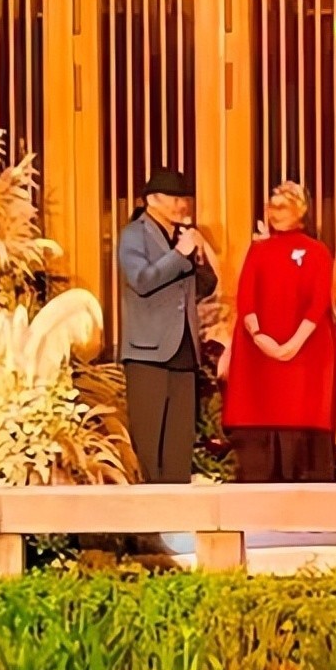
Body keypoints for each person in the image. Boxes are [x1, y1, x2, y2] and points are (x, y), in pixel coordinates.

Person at [222, 181, 336, 482]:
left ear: (301, 210)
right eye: (271, 206)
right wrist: (259, 337)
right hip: (258, 353)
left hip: (305, 350)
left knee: (300, 411)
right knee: (258, 414)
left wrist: (293, 344)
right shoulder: (258, 250)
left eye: (282, 206)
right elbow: (246, 297)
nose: (274, 213)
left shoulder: (317, 251)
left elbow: (319, 302)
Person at [118, 167, 217, 483]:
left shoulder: (182, 235)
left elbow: (205, 286)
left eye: (183, 198)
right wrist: (178, 254)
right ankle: (149, 512)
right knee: (149, 446)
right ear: (152, 200)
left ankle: (177, 508)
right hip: (148, 351)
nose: (181, 205)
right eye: (173, 198)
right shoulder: (134, 234)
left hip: (184, 349)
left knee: (179, 446)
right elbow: (142, 280)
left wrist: (198, 253)